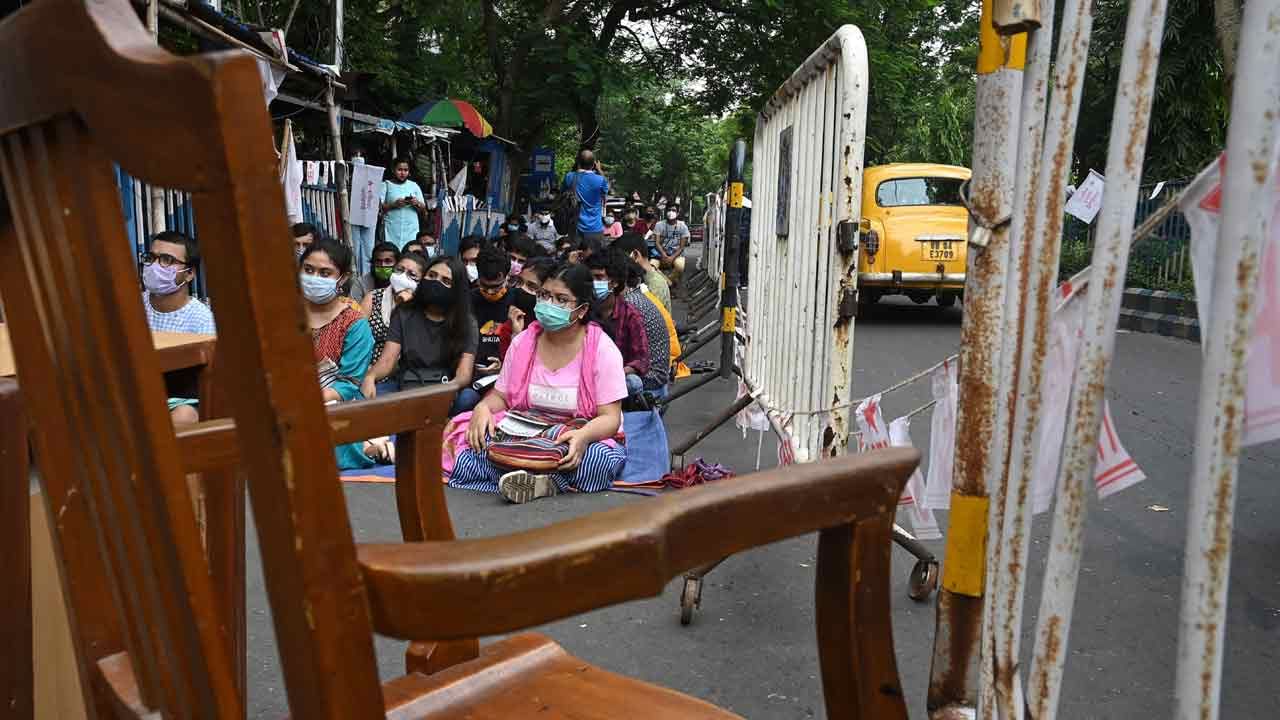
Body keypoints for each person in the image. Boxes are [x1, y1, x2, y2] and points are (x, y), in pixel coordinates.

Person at [449, 263, 628, 503]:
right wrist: (482, 409)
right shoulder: (523, 342)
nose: (549, 304)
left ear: (582, 310)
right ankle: (544, 480)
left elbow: (610, 418)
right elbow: (501, 397)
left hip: (577, 431)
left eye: (561, 299)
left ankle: (538, 481)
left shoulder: (602, 350)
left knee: (597, 461)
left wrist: (583, 437)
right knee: (472, 447)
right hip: (526, 428)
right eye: (544, 295)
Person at [299, 238, 392, 469]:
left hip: (335, 397)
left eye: (325, 273)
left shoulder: (354, 322)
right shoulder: (286, 312)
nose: (314, 278)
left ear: (343, 278)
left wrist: (307, 400)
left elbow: (348, 383)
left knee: (322, 420)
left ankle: (365, 449)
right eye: (308, 270)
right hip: (290, 392)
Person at [360, 255, 479, 416]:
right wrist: (370, 377)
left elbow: (464, 374)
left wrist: (444, 392)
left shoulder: (466, 322)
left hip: (445, 388)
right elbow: (387, 360)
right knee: (375, 395)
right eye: (432, 276)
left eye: (446, 281)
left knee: (468, 398)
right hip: (407, 384)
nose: (436, 282)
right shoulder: (404, 312)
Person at [140, 230, 216, 425]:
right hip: (135, 393)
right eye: (151, 258)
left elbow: (206, 382)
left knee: (183, 417)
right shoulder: (131, 306)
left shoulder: (202, 321)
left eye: (166, 260)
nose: (155, 266)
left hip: (180, 400)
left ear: (189, 273)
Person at [588, 249, 650, 396]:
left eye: (599, 277)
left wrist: (614, 375)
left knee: (633, 383)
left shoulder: (630, 315)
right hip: (584, 376)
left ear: (614, 282)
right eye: (590, 278)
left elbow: (641, 360)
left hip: (615, 380)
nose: (593, 283)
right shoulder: (582, 310)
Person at [360, 250, 429, 374]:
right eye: (399, 270)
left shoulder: (422, 308)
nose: (402, 276)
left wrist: (407, 306)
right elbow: (357, 337)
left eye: (412, 275)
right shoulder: (373, 297)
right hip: (364, 367)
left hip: (401, 374)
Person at [471, 245, 513, 381]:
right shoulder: (468, 300)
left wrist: (503, 365)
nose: (489, 292)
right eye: (484, 286)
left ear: (507, 277)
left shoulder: (517, 302)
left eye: (496, 287)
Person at [561, 149, 609, 247]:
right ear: (593, 165)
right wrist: (599, 170)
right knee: (596, 260)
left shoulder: (569, 177)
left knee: (574, 259)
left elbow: (562, 193)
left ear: (578, 162)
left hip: (575, 230)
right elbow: (605, 190)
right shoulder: (600, 180)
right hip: (595, 229)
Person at [614, 234, 671, 312]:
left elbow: (645, 315)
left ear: (635, 255)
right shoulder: (639, 276)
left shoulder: (655, 284)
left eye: (620, 259)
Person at [381, 157, 425, 250]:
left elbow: (423, 208)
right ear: (393, 170)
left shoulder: (414, 186)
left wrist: (416, 203)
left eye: (405, 170)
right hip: (391, 228)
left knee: (409, 253)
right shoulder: (386, 185)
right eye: (399, 170)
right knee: (391, 252)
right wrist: (393, 205)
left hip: (411, 229)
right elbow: (379, 207)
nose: (403, 173)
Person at [651, 206, 690, 284]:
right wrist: (664, 255)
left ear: (677, 213)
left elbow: (682, 247)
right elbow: (657, 243)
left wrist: (672, 258)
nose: (671, 212)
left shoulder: (682, 226)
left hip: (677, 255)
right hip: (660, 254)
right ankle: (668, 282)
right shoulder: (659, 224)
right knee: (651, 267)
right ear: (666, 212)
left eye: (673, 210)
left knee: (680, 267)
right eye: (669, 210)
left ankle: (667, 282)